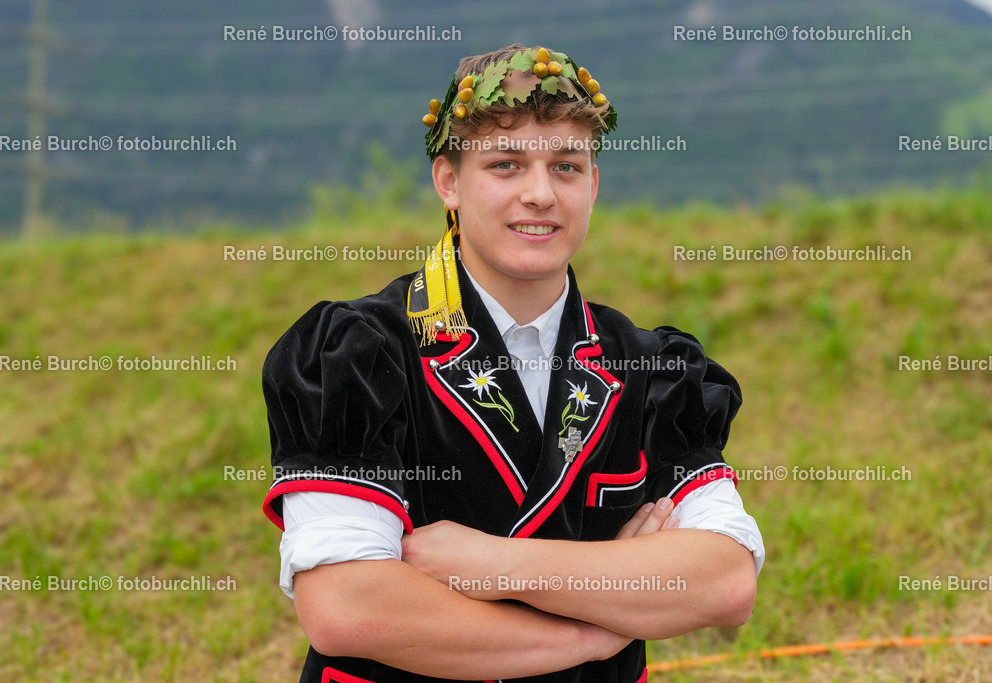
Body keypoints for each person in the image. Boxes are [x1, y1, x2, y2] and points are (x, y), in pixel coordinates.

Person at [261, 43, 765, 682]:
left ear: (594, 183)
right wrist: (596, 630)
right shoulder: (359, 352)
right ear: (449, 181)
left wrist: (489, 561)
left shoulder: (652, 366)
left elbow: (723, 583)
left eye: (566, 166)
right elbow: (348, 608)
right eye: (504, 164)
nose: (540, 194)